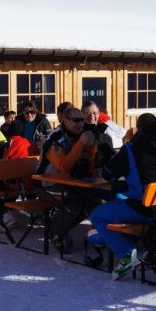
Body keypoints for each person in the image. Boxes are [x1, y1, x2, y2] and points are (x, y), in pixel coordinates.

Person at [91, 113, 156, 278]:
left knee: (97, 215)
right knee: (123, 196)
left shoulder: (132, 148)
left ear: (138, 129)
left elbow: (108, 173)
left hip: (144, 209)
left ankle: (128, 254)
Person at [37, 105, 105, 251]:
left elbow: (89, 163)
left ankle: (102, 235)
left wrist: (93, 147)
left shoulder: (80, 135)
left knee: (96, 199)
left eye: (82, 120)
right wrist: (81, 143)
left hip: (72, 182)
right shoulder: (56, 138)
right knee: (75, 200)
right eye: (75, 120)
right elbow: (64, 166)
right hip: (47, 184)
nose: (80, 123)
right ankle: (56, 233)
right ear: (64, 121)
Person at [80, 101, 117, 169]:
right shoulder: (78, 132)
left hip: (102, 172)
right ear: (82, 114)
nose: (91, 116)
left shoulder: (105, 132)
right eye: (88, 113)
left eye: (94, 113)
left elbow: (111, 157)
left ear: (99, 114)